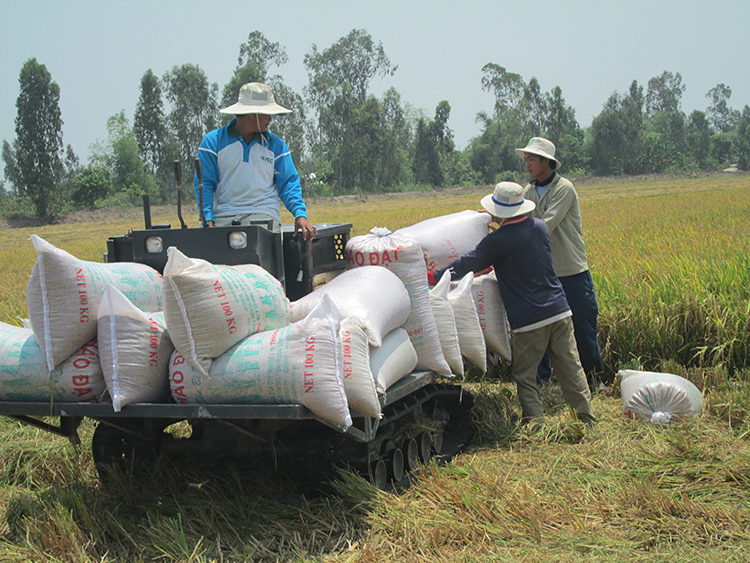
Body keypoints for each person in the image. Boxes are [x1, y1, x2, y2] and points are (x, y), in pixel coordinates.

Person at [428, 182, 595, 425]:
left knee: (525, 375)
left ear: (499, 212)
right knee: (570, 367)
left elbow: (469, 263)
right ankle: (586, 418)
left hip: (530, 320)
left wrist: (435, 276)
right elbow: (520, 252)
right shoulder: (539, 227)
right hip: (560, 311)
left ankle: (536, 424)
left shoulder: (497, 241)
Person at [516, 137, 603, 389]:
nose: (528, 164)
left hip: (571, 270)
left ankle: (593, 379)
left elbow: (545, 225)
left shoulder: (564, 188)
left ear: (547, 162)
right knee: (540, 326)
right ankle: (543, 381)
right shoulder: (529, 191)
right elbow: (518, 218)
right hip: (544, 272)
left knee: (583, 325)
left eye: (532, 159)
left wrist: (508, 234)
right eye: (526, 159)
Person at [194, 82, 317, 240]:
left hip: (263, 215)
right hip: (222, 216)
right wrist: (208, 220)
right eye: (267, 114)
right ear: (254, 114)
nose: (270, 119)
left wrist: (300, 214)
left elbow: (288, 183)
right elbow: (204, 183)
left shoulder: (276, 146)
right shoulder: (213, 142)